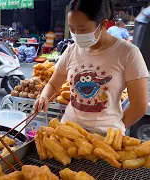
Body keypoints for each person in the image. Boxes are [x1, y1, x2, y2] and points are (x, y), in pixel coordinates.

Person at [34, 0, 148, 134]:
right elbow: (53, 84)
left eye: (82, 29)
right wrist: (44, 96)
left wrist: (115, 127)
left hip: (105, 137)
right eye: (72, 29)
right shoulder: (71, 51)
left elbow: (139, 106)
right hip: (70, 131)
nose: (76, 34)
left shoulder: (128, 53)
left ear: (103, 24)